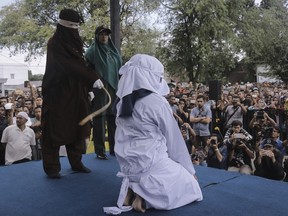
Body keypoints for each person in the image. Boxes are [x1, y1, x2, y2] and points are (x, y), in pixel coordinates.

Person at [104, 54, 202, 215]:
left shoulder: (121, 102)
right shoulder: (156, 101)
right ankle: (144, 200)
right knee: (191, 186)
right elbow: (174, 140)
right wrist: (189, 171)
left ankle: (132, 189)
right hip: (150, 164)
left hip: (128, 165)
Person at [41, 9, 104, 178]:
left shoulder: (75, 43)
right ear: (63, 26)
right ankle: (52, 167)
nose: (74, 30)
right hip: (58, 93)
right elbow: (69, 66)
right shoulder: (54, 44)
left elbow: (79, 66)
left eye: (77, 27)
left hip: (76, 92)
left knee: (78, 127)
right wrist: (91, 78)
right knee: (54, 129)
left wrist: (87, 89)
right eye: (72, 27)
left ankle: (76, 162)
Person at [85, 25, 122, 159]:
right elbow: (87, 71)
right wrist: (92, 83)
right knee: (100, 119)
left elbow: (120, 70)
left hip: (114, 89)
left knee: (113, 119)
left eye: (106, 34)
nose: (104, 36)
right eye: (101, 34)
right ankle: (100, 151)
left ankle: (114, 148)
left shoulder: (114, 51)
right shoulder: (91, 52)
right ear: (96, 36)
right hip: (100, 89)